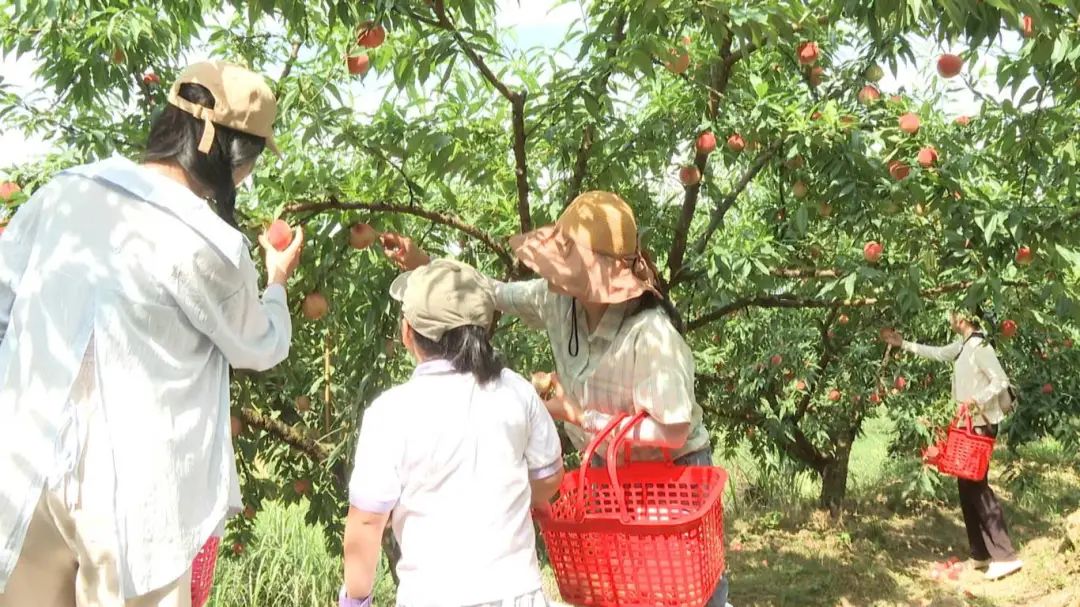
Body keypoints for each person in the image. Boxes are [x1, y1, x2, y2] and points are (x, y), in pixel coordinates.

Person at [0, 61, 303, 607]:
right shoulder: (208, 242)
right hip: (137, 504)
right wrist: (277, 281)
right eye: (251, 162)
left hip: (26, 468)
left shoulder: (64, 193)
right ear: (228, 153)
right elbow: (259, 347)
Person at [381, 190, 732, 606]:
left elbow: (673, 432)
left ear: (599, 274)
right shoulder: (557, 300)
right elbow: (489, 292)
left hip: (670, 478)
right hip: (608, 472)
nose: (546, 265)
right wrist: (426, 268)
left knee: (679, 589)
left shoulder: (652, 335)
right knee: (618, 590)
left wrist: (579, 415)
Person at [341, 259, 564, 607]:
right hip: (518, 595)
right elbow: (548, 478)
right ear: (485, 328)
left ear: (407, 333)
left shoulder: (391, 413)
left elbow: (368, 522)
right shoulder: (516, 392)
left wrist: (355, 600)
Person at [882, 312, 1023, 581]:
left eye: (952, 314)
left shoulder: (981, 347)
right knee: (966, 486)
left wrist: (976, 400)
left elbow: (1000, 380)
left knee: (977, 486)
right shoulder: (963, 347)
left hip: (980, 424)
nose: (949, 318)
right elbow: (938, 353)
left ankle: (1006, 556)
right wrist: (904, 344)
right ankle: (980, 552)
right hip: (967, 424)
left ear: (963, 318)